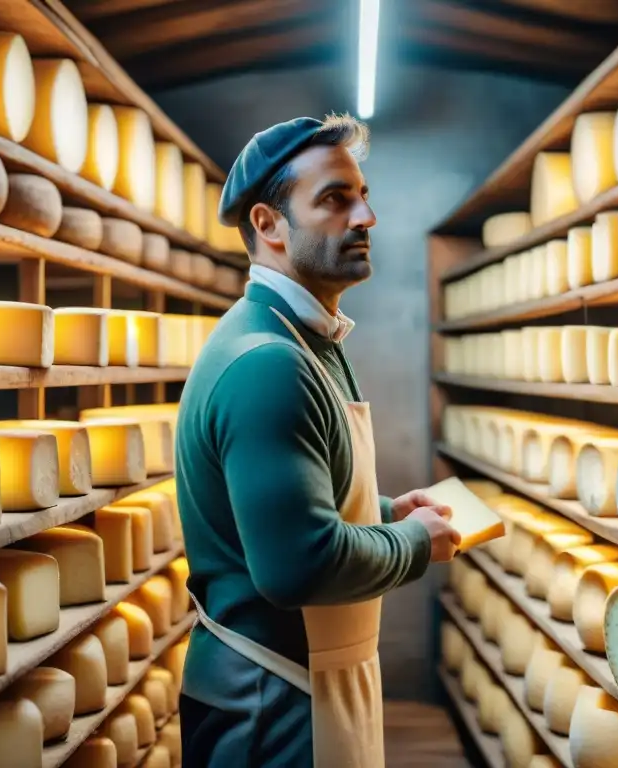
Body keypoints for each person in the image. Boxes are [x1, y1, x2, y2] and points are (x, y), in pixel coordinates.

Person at [175, 113, 461, 767]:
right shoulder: (268, 362)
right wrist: (415, 544)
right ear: (268, 225)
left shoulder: (306, 339)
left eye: (364, 196)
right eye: (334, 199)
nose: (366, 217)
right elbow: (297, 564)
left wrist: (387, 514)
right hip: (272, 699)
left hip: (301, 683)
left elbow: (295, 509)